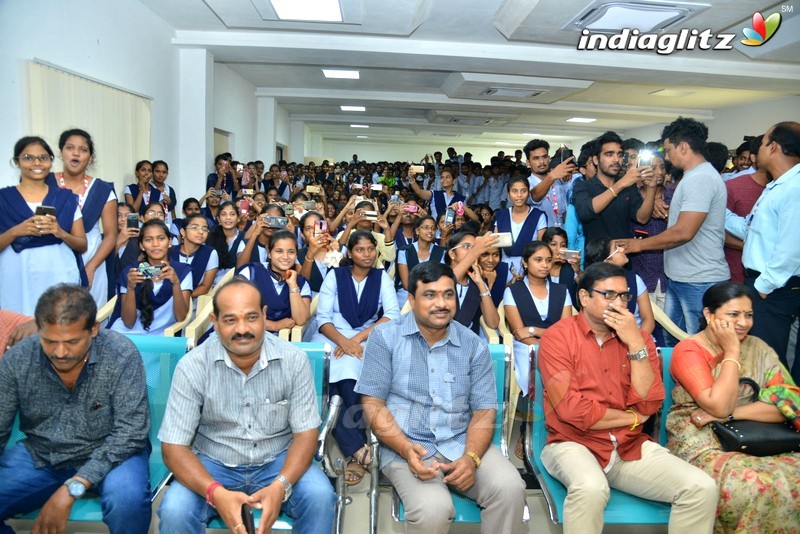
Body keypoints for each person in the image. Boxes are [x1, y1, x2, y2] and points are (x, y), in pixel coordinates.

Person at [537, 262, 718, 533]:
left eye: (624, 296)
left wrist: (634, 344)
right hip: (571, 443)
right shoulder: (557, 338)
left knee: (701, 488)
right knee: (591, 488)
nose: (619, 303)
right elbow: (572, 411)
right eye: (608, 294)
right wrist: (632, 417)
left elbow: (649, 402)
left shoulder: (640, 339)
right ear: (584, 297)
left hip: (627, 445)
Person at [357, 262, 527, 534]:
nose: (441, 303)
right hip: (407, 446)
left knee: (510, 489)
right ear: (411, 300)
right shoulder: (385, 337)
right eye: (430, 295)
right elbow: (372, 404)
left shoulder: (473, 345)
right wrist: (404, 448)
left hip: (460, 441)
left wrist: (471, 458)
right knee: (433, 509)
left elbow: (484, 411)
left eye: (448, 294)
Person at [156, 278, 335, 533]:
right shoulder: (192, 366)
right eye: (230, 320)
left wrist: (280, 485)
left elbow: (305, 436)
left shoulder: (294, 360)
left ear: (264, 315)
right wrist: (214, 492)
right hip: (213, 461)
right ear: (214, 322)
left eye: (251, 317)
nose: (242, 329)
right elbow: (173, 447)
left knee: (320, 498)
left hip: (278, 459)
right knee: (175, 510)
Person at [0, 284, 150, 534]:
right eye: (49, 341)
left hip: (114, 454)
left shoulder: (120, 354)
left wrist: (72, 488)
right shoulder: (18, 359)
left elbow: (131, 433)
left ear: (93, 329)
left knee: (128, 502)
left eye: (71, 342)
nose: (60, 352)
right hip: (43, 455)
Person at [666, 282, 800, 532]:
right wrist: (731, 352)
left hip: (761, 436)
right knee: (750, 484)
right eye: (733, 314)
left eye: (748, 315)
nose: (743, 322)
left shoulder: (759, 348)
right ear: (709, 315)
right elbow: (716, 405)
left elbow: (790, 403)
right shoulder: (689, 350)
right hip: (701, 440)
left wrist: (732, 414)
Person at [617, 117, 730, 340]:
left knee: (698, 347)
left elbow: (683, 232)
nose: (667, 158)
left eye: (668, 151)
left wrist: (638, 245)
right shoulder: (692, 178)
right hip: (682, 277)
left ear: (683, 147)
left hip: (699, 279)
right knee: (673, 344)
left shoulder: (700, 179)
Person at [310, 231, 400, 485]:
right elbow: (323, 318)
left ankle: (352, 450)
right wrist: (343, 341)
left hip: (367, 337)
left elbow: (392, 314)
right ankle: (359, 448)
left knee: (348, 377)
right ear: (350, 253)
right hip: (332, 337)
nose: (367, 254)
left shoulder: (381, 278)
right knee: (336, 373)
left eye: (371, 249)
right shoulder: (335, 276)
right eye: (360, 250)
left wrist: (356, 340)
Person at [724, 122, 800, 382]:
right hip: (763, 284)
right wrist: (717, 211)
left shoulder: (795, 187)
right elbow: (751, 229)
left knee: (772, 360)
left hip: (774, 288)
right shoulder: (778, 184)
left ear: (774, 147)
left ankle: (782, 416)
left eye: (764, 141)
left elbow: (792, 247)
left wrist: (763, 287)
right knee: (762, 356)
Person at [0, 136, 87, 315]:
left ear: (51, 161)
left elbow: (82, 244)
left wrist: (60, 232)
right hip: (17, 277)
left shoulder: (65, 198)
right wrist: (16, 231)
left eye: (43, 157)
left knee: (59, 323)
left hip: (58, 274)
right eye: (28, 158)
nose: (36, 163)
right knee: (18, 329)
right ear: (16, 161)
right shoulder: (3, 199)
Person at [51, 129, 117, 307]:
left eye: (83, 149)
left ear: (91, 158)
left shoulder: (102, 190)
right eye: (70, 147)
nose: (75, 153)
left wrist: (91, 267)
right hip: (52, 258)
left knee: (89, 320)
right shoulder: (46, 182)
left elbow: (111, 235)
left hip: (91, 257)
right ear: (60, 153)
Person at [108, 220, 192, 336]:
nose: (155, 244)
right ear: (141, 245)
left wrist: (176, 283)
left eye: (161, 238)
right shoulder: (130, 272)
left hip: (163, 336)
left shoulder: (182, 271)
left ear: (170, 242)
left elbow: (181, 317)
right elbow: (128, 323)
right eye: (148, 240)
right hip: (127, 335)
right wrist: (130, 288)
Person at [572, 131, 657, 244]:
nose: (616, 160)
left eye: (620, 155)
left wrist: (651, 188)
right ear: (596, 160)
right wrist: (620, 184)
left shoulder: (628, 187)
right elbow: (586, 212)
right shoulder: (583, 186)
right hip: (596, 257)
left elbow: (642, 218)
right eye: (609, 154)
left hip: (623, 256)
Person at [237, 229, 311, 334]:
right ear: (269, 253)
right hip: (241, 332)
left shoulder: (301, 283)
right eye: (279, 251)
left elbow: (301, 319)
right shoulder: (251, 272)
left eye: (291, 252)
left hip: (279, 339)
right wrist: (274, 325)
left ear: (296, 255)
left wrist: (292, 285)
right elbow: (235, 310)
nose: (285, 257)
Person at [584, 238, 655, 335]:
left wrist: (636, 341)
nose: (622, 249)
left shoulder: (634, 279)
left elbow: (648, 320)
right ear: (607, 260)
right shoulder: (593, 286)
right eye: (616, 248)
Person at [445, 232, 500, 335]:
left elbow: (493, 323)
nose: (473, 251)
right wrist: (475, 252)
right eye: (466, 246)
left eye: (474, 247)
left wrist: (481, 284)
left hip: (467, 342)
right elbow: (445, 284)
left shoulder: (476, 279)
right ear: (452, 254)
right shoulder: (438, 274)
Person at [492, 176, 547, 273]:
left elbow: (542, 247)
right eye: (514, 191)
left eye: (523, 191)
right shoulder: (501, 215)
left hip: (530, 269)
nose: (519, 195)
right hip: (502, 269)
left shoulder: (538, 215)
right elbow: (495, 247)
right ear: (508, 194)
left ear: (529, 193)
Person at [524, 139, 575, 227]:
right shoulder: (526, 183)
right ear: (528, 162)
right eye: (536, 158)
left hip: (561, 234)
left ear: (549, 158)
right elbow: (534, 197)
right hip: (540, 237)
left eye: (544, 157)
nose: (541, 161)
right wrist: (552, 176)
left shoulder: (558, 181)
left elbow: (563, 212)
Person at [396, 216, 446, 303]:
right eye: (426, 228)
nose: (430, 231)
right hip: (407, 298)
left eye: (433, 228)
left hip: (432, 297)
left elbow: (441, 281)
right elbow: (406, 285)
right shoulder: (405, 251)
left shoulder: (441, 252)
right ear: (417, 231)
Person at [169, 215, 219, 299]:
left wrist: (182, 298)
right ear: (183, 232)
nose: (200, 232)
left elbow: (205, 287)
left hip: (194, 302)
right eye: (195, 227)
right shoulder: (170, 251)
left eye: (204, 229)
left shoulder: (210, 253)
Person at [206, 201, 246, 284]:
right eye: (224, 214)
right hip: (212, 285)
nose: (228, 218)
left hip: (236, 284)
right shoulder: (210, 237)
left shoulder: (244, 237)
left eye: (232, 214)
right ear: (218, 219)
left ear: (238, 218)